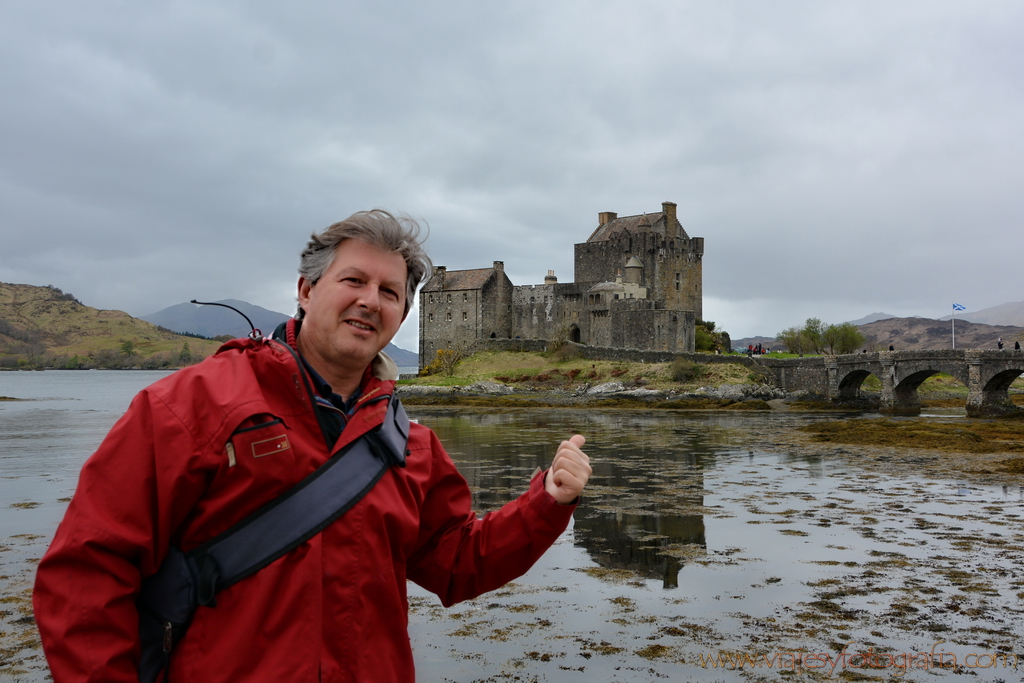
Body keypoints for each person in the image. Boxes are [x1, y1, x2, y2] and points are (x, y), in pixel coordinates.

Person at [33, 210, 592, 683]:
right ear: (305, 291)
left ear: (400, 315)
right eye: (354, 281)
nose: (371, 301)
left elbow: (457, 562)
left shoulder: (410, 445)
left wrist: (547, 503)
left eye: (390, 292)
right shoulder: (191, 405)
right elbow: (86, 573)